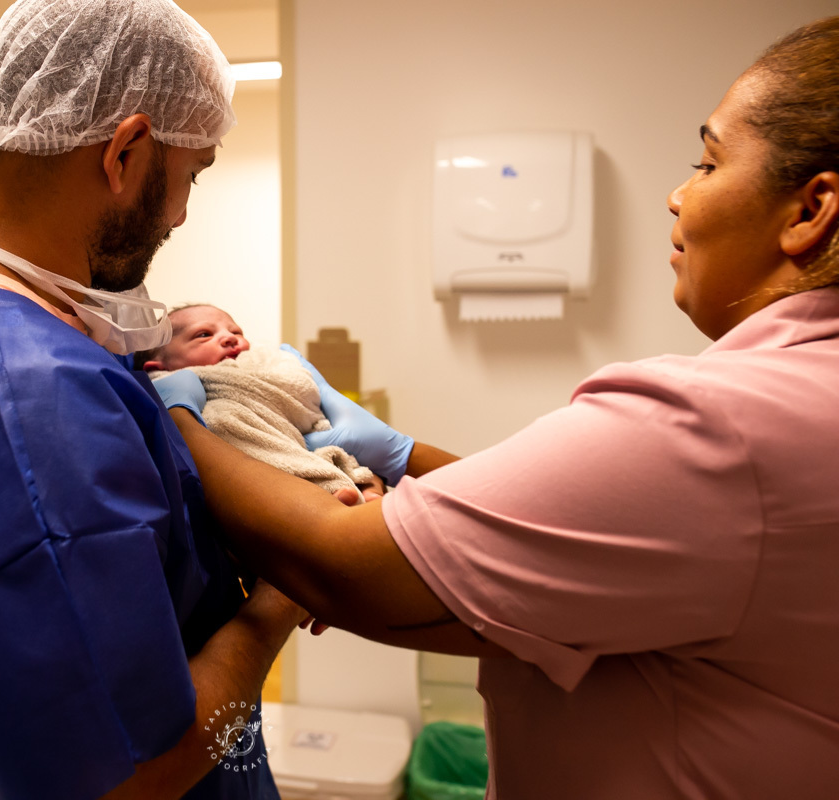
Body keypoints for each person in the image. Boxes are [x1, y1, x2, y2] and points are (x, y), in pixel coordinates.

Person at [157, 16, 839, 799]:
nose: (679, 194)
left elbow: (350, 569)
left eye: (708, 162)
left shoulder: (723, 425)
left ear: (809, 211)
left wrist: (174, 418)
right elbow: (554, 557)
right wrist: (406, 456)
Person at [0, 2, 305, 799]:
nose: (178, 214)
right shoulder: (32, 399)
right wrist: (274, 606)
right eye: (192, 176)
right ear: (128, 151)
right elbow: (128, 781)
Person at [138, 304, 385, 504]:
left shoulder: (262, 362)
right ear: (160, 367)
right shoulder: (173, 390)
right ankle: (328, 485)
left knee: (363, 466)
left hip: (298, 434)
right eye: (204, 335)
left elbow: (293, 388)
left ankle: (364, 489)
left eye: (236, 332)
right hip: (260, 471)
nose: (229, 338)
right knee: (222, 419)